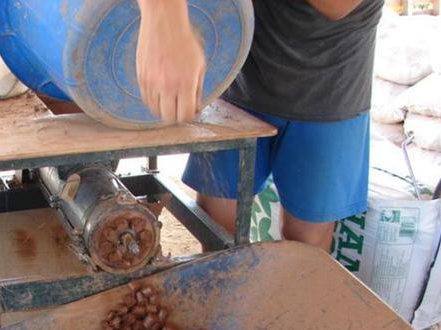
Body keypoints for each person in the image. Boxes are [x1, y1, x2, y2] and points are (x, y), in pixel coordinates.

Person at [135, 0, 383, 251]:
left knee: (306, 244)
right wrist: (165, 20)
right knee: (216, 231)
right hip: (242, 84)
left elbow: (336, 5)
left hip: (331, 93)